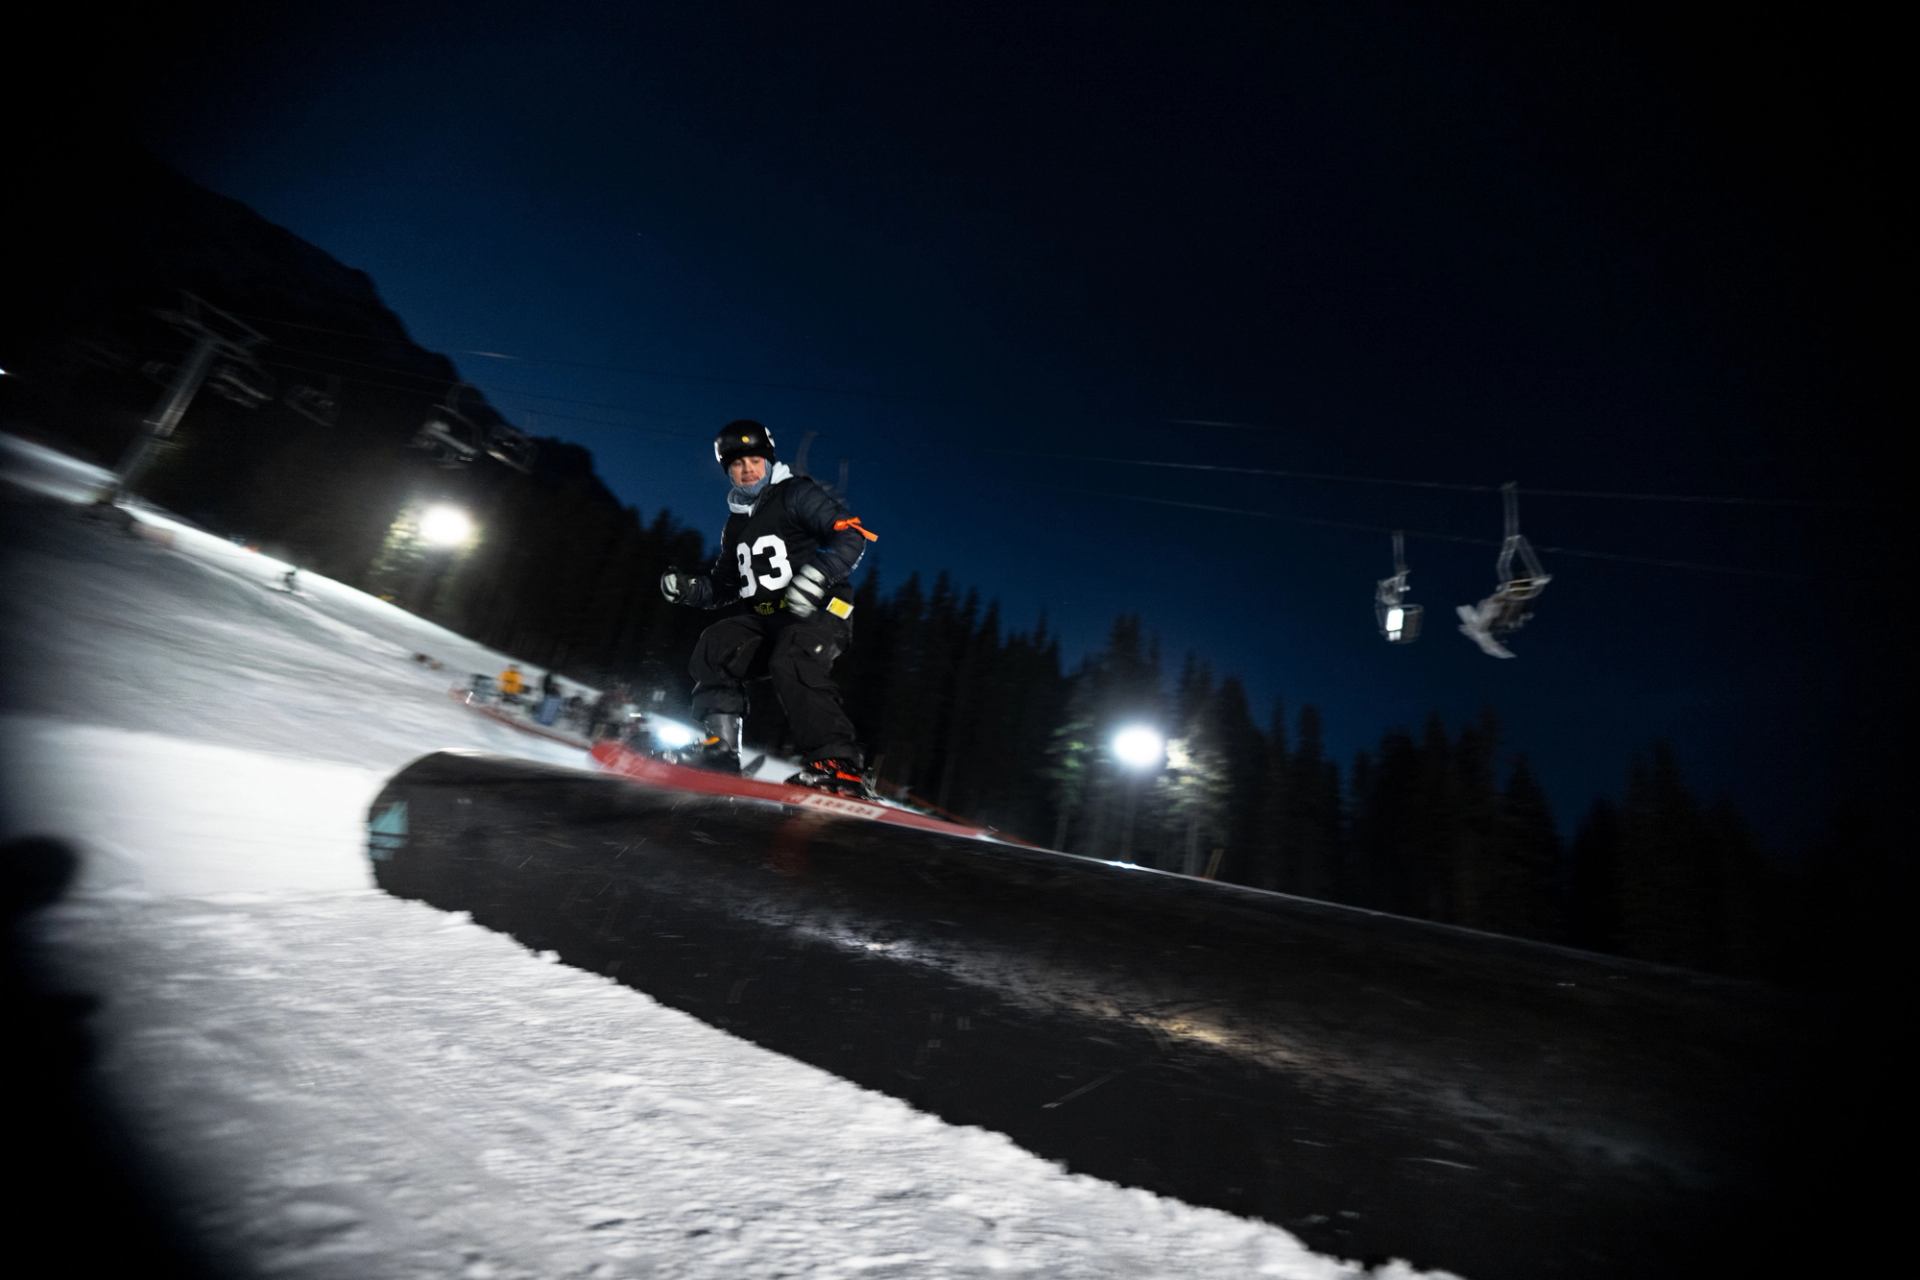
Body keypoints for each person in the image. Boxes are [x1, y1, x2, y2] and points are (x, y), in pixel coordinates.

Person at [658, 419, 879, 796]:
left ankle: (839, 765)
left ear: (768, 460)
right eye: (736, 464)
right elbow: (726, 586)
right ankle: (722, 751)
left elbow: (852, 535)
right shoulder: (735, 525)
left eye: (754, 461)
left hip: (821, 609)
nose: (746, 470)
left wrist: (818, 575)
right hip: (770, 617)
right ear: (727, 471)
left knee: (791, 658)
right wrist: (690, 589)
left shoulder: (794, 493)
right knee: (717, 644)